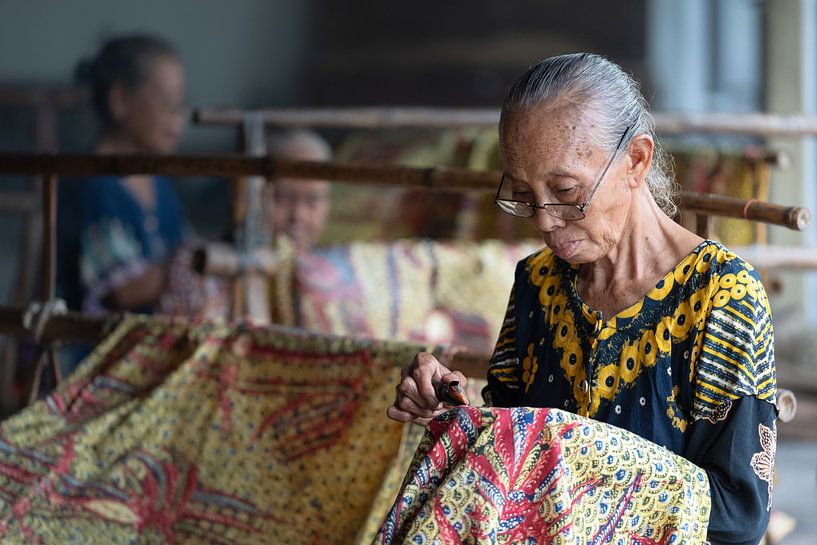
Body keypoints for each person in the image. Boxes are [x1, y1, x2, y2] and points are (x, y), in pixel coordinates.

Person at [388, 53, 777, 545]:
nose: (545, 220)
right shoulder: (538, 282)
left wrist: (569, 450)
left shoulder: (721, 296)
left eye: (566, 190)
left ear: (636, 159)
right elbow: (504, 459)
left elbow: (738, 515)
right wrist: (451, 409)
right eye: (525, 195)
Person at [57, 34, 188, 317]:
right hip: (91, 350)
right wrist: (197, 262)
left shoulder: (159, 183)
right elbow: (121, 290)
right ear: (120, 101)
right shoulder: (91, 185)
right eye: (168, 102)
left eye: (181, 103)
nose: (179, 117)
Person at [266, 129, 332, 252]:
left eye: (313, 200)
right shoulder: (222, 264)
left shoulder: (335, 265)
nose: (298, 216)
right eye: (283, 199)